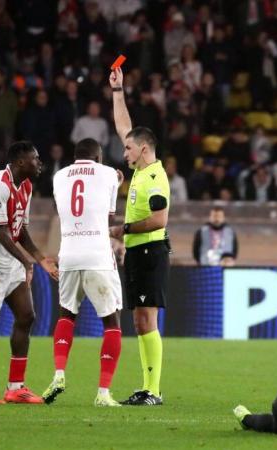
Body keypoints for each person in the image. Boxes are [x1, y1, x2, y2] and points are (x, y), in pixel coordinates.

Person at [0, 141, 58, 405]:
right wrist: (27, 263)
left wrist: (40, 259)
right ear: (20, 162)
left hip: (11, 259)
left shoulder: (26, 186)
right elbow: (0, 231)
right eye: (35, 158)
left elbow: (18, 231)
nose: (39, 163)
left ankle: (15, 387)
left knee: (27, 316)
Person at [42, 138, 124, 407]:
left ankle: (58, 374)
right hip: (97, 254)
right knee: (111, 323)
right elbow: (109, 219)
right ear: (99, 157)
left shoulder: (59, 176)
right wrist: (116, 182)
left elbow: (63, 209)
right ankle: (102, 393)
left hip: (68, 254)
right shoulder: (110, 174)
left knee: (67, 314)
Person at [109, 66, 170, 406]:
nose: (125, 152)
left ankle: (153, 390)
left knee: (147, 319)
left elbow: (160, 219)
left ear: (144, 150)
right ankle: (148, 386)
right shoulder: (142, 170)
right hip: (137, 252)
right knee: (139, 318)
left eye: (129, 149)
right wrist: (118, 91)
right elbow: (123, 127)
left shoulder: (155, 178)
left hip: (150, 251)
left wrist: (123, 229)